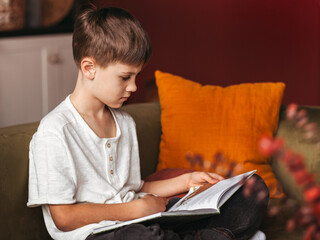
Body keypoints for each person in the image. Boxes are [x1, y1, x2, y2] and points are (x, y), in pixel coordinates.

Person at [27, 5, 269, 240]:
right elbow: (64, 217)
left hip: (144, 219)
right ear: (89, 68)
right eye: (124, 77)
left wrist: (186, 181)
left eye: (136, 76)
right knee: (142, 236)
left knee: (252, 189)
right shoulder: (55, 131)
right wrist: (135, 211)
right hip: (99, 233)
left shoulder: (125, 123)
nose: (133, 87)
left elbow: (134, 189)